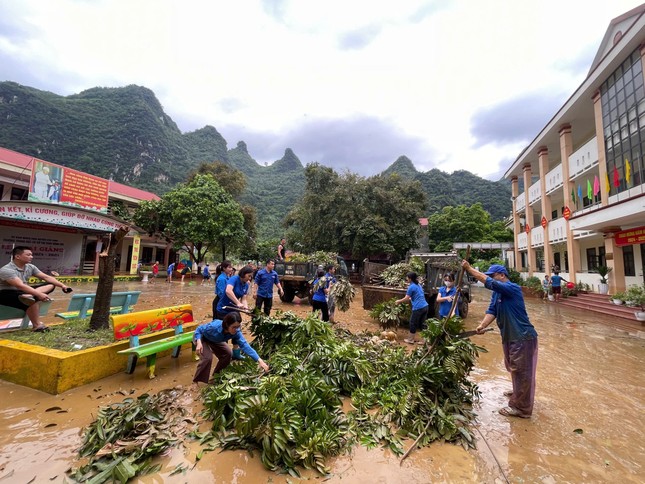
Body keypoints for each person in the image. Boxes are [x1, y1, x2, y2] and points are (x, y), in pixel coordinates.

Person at [461, 261, 538, 419]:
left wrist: (469, 269)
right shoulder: (497, 294)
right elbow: (492, 311)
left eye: (493, 276)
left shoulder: (512, 288)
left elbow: (488, 282)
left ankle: (521, 409)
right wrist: (482, 325)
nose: (490, 279)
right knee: (513, 366)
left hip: (522, 336)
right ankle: (518, 392)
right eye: (490, 276)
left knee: (522, 370)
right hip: (509, 336)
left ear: (502, 275)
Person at [0, 246, 72, 332]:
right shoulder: (6, 270)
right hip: (6, 293)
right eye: (28, 255)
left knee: (51, 284)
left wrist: (63, 286)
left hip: (23, 292)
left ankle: (29, 295)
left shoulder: (30, 267)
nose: (31, 257)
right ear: (17, 256)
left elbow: (46, 277)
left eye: (31, 255)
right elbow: (20, 286)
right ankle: (37, 325)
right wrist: (39, 294)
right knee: (32, 300)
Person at [192, 312, 269, 385]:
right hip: (202, 338)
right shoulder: (214, 327)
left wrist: (260, 360)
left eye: (238, 327)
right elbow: (199, 329)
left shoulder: (237, 332)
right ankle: (196, 381)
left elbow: (245, 346)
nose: (236, 329)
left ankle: (216, 376)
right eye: (233, 327)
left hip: (216, 340)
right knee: (207, 358)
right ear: (227, 325)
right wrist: (199, 342)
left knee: (228, 354)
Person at [217, 265, 254, 360]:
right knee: (224, 331)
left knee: (236, 330)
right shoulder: (234, 279)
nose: (250, 278)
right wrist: (237, 303)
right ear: (243, 274)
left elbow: (244, 299)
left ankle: (236, 353)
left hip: (234, 311)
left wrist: (245, 307)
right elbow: (228, 291)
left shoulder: (246, 285)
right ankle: (223, 353)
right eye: (249, 276)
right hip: (223, 309)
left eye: (251, 276)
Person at [395, 271, 429, 344]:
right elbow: (419, 295)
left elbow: (406, 298)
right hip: (425, 306)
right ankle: (425, 340)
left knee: (412, 323)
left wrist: (399, 301)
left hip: (418, 307)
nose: (406, 278)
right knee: (423, 323)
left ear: (410, 279)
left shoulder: (411, 287)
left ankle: (410, 339)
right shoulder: (418, 285)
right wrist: (412, 298)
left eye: (407, 277)